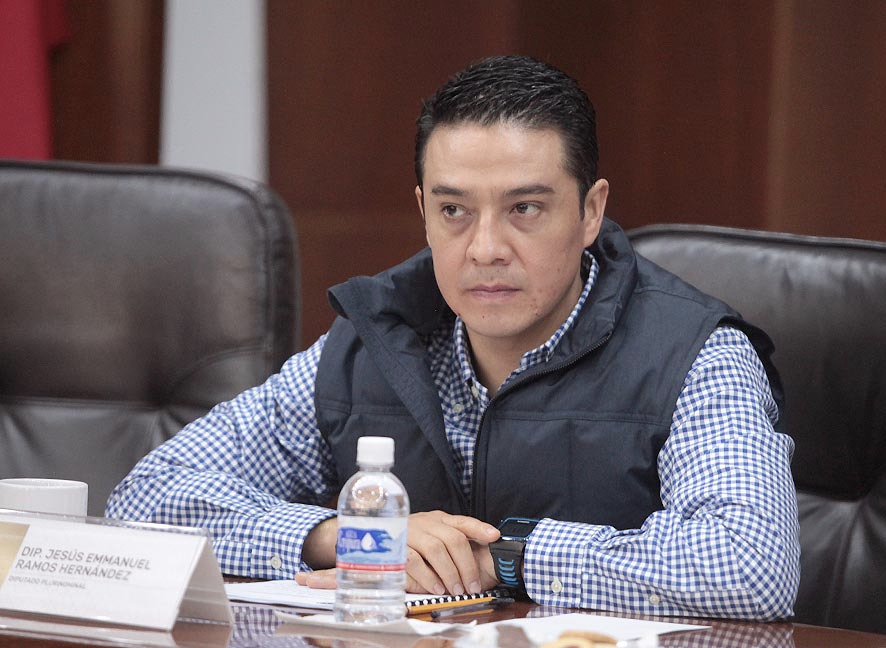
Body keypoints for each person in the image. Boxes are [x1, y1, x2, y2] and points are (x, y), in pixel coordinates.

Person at [107, 55, 800, 620]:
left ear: (590, 212)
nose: (485, 248)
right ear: (423, 212)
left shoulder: (695, 355)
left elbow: (749, 567)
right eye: (454, 211)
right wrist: (347, 538)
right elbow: (144, 502)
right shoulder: (371, 343)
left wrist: (503, 559)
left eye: (525, 208)